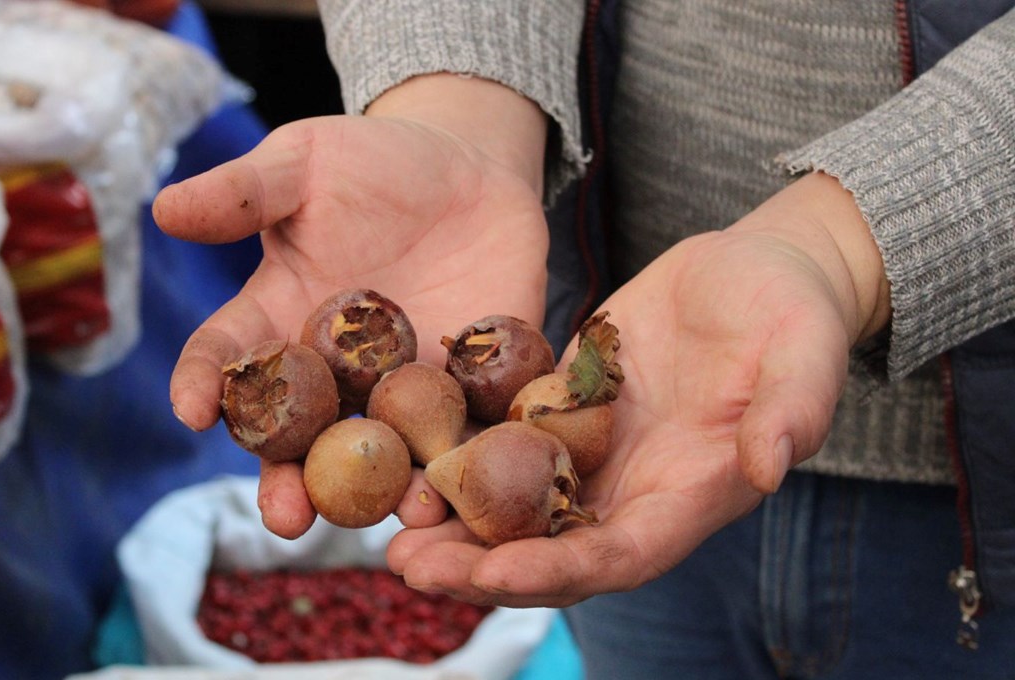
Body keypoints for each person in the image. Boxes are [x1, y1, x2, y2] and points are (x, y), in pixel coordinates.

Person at [153, 1, 1015, 677]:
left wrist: (843, 247)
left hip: (981, 477)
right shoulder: (504, 417)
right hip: (624, 372)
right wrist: (457, 109)